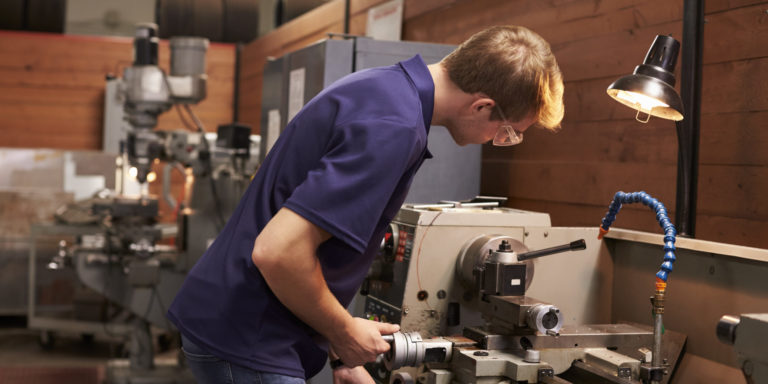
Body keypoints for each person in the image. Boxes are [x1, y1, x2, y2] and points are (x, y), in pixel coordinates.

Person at [167, 25, 564, 384]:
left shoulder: (387, 90)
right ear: (481, 106)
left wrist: (340, 350)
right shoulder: (394, 128)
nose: (500, 139)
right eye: (508, 131)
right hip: (251, 338)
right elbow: (278, 252)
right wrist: (342, 330)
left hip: (246, 326)